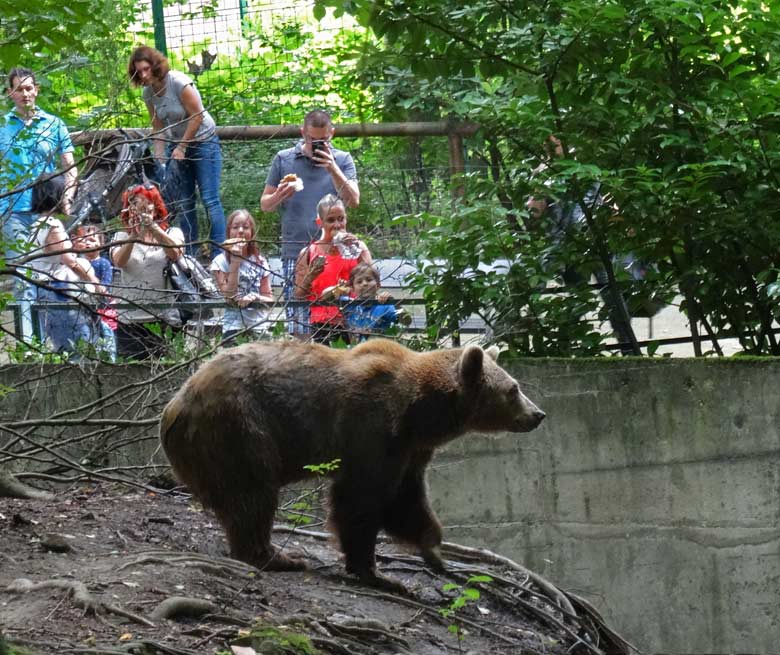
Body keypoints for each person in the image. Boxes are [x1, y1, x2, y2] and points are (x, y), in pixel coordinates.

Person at [527, 135, 638, 355]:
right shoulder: (542, 172)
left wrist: (620, 217)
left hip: (595, 242)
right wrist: (536, 196)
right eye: (547, 145)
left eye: (555, 144)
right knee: (576, 299)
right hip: (564, 245)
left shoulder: (585, 168)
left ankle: (630, 350)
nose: (552, 149)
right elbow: (536, 213)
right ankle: (563, 349)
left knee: (612, 295)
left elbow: (604, 197)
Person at [260, 109, 359, 336]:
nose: (316, 144)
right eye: (312, 139)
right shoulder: (284, 159)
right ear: (302, 132)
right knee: (298, 324)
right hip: (296, 252)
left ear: (332, 134)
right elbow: (265, 205)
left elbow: (353, 200)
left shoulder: (342, 160)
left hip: (335, 253)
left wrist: (332, 167)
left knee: (338, 323)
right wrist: (279, 196)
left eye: (322, 140)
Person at [1, 67, 77, 342]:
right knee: (24, 279)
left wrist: (67, 197)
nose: (25, 94)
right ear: (10, 93)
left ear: (37, 90)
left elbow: (70, 165)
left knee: (60, 271)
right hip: (14, 211)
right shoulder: (2, 127)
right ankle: (30, 345)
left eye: (29, 88)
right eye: (19, 89)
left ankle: (63, 343)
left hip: (49, 210)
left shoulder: (54, 124)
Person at [127, 46, 226, 258]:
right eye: (139, 72)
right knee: (185, 201)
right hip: (176, 143)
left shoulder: (179, 83)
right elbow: (158, 126)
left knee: (209, 199)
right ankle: (189, 254)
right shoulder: (148, 94)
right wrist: (159, 157)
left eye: (146, 69)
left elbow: (197, 115)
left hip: (203, 141)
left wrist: (182, 147)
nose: (144, 75)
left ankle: (219, 255)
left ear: (155, 66)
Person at [110, 183, 184, 360]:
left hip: (163, 318)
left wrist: (153, 228)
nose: (141, 208)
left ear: (155, 206)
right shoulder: (120, 237)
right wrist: (134, 235)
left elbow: (175, 253)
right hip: (129, 320)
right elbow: (119, 261)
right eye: (135, 203)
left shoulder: (173, 233)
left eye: (146, 202)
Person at [293, 194, 372, 345]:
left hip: (357, 320)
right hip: (322, 323)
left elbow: (375, 283)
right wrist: (311, 275)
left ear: (346, 219)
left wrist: (357, 250)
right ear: (320, 222)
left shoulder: (359, 247)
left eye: (341, 219)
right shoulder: (309, 252)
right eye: (330, 220)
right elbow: (298, 296)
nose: (337, 225)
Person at [29, 217, 102, 356]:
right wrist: (94, 281)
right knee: (77, 345)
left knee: (70, 345)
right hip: (55, 289)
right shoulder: (51, 223)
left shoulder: (37, 224)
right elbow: (69, 260)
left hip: (47, 288)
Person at [210, 209, 274, 343]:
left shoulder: (260, 261)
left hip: (259, 325)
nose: (240, 231)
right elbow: (229, 296)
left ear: (251, 233)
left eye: (245, 227)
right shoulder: (219, 262)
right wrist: (235, 262)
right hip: (233, 326)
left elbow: (269, 299)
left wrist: (255, 297)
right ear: (228, 232)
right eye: (235, 227)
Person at [71, 222, 117, 361]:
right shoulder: (77, 262)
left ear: (101, 244)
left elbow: (105, 286)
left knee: (105, 339)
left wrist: (95, 286)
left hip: (101, 309)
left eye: (92, 240)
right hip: (82, 307)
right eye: (85, 240)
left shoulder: (103, 263)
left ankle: (109, 361)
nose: (88, 243)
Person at [341, 262, 411, 341]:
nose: (364, 284)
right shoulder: (349, 305)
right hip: (356, 351)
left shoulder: (384, 305)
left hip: (379, 350)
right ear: (352, 288)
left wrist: (394, 304)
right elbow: (326, 296)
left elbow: (407, 321)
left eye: (369, 279)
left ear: (378, 285)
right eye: (359, 282)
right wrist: (339, 289)